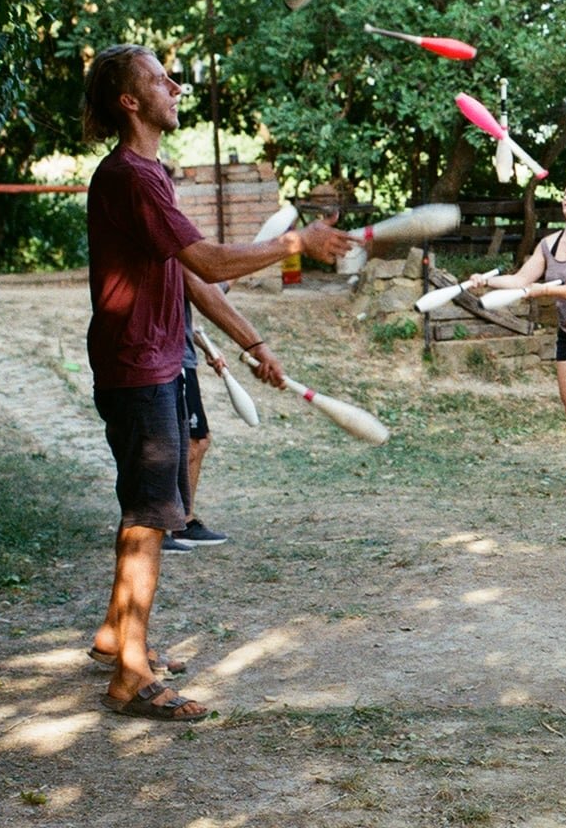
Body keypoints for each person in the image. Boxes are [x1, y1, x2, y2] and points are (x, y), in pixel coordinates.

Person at [83, 43, 351, 721]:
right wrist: (296, 244)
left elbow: (189, 277)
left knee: (141, 506)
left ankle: (119, 637)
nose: (175, 85)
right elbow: (207, 256)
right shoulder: (131, 178)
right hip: (138, 367)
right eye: (159, 78)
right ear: (130, 101)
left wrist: (252, 341)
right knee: (149, 519)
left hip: (149, 361)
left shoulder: (149, 174)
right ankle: (132, 677)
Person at [466, 179, 566, 496]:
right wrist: (486, 282)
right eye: (564, 192)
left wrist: (544, 289)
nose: (565, 197)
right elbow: (521, 279)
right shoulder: (549, 244)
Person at [169, 288, 230, 552]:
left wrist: (206, 347)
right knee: (194, 442)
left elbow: (180, 318)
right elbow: (212, 293)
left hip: (183, 359)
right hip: (176, 361)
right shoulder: (180, 260)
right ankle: (179, 522)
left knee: (195, 442)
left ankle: (179, 520)